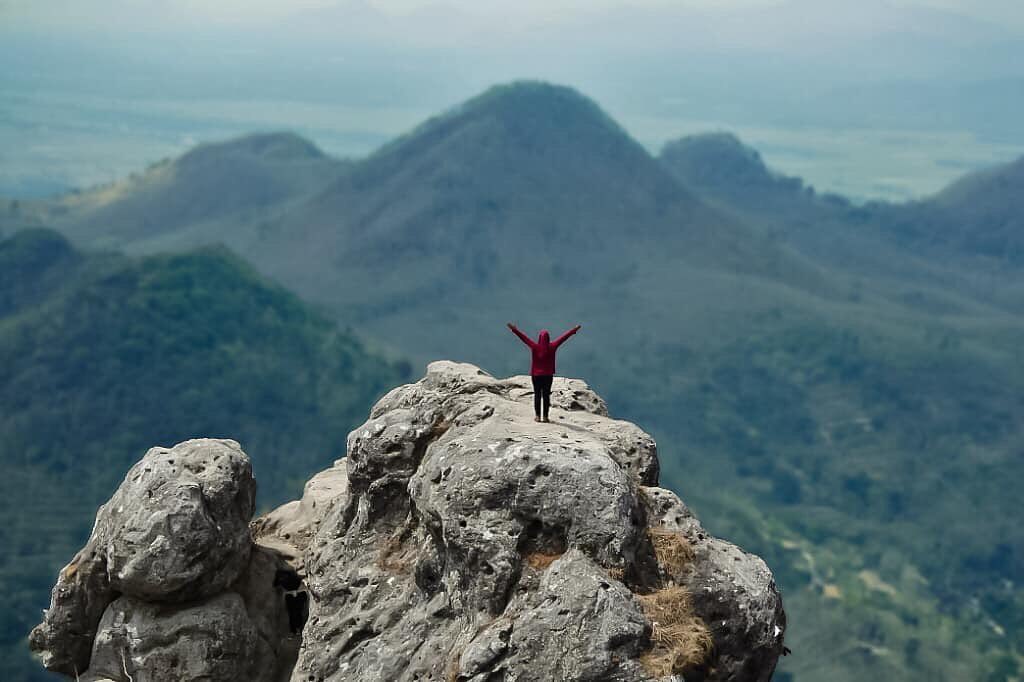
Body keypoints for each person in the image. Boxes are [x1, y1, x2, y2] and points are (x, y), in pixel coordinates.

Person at [507, 322, 582, 422]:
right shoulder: (553, 346)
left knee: (537, 395)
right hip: (548, 375)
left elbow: (524, 338)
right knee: (546, 396)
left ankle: (538, 416)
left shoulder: (534, 347)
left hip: (536, 376)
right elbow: (564, 338)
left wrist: (514, 330)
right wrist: (574, 330)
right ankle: (546, 417)